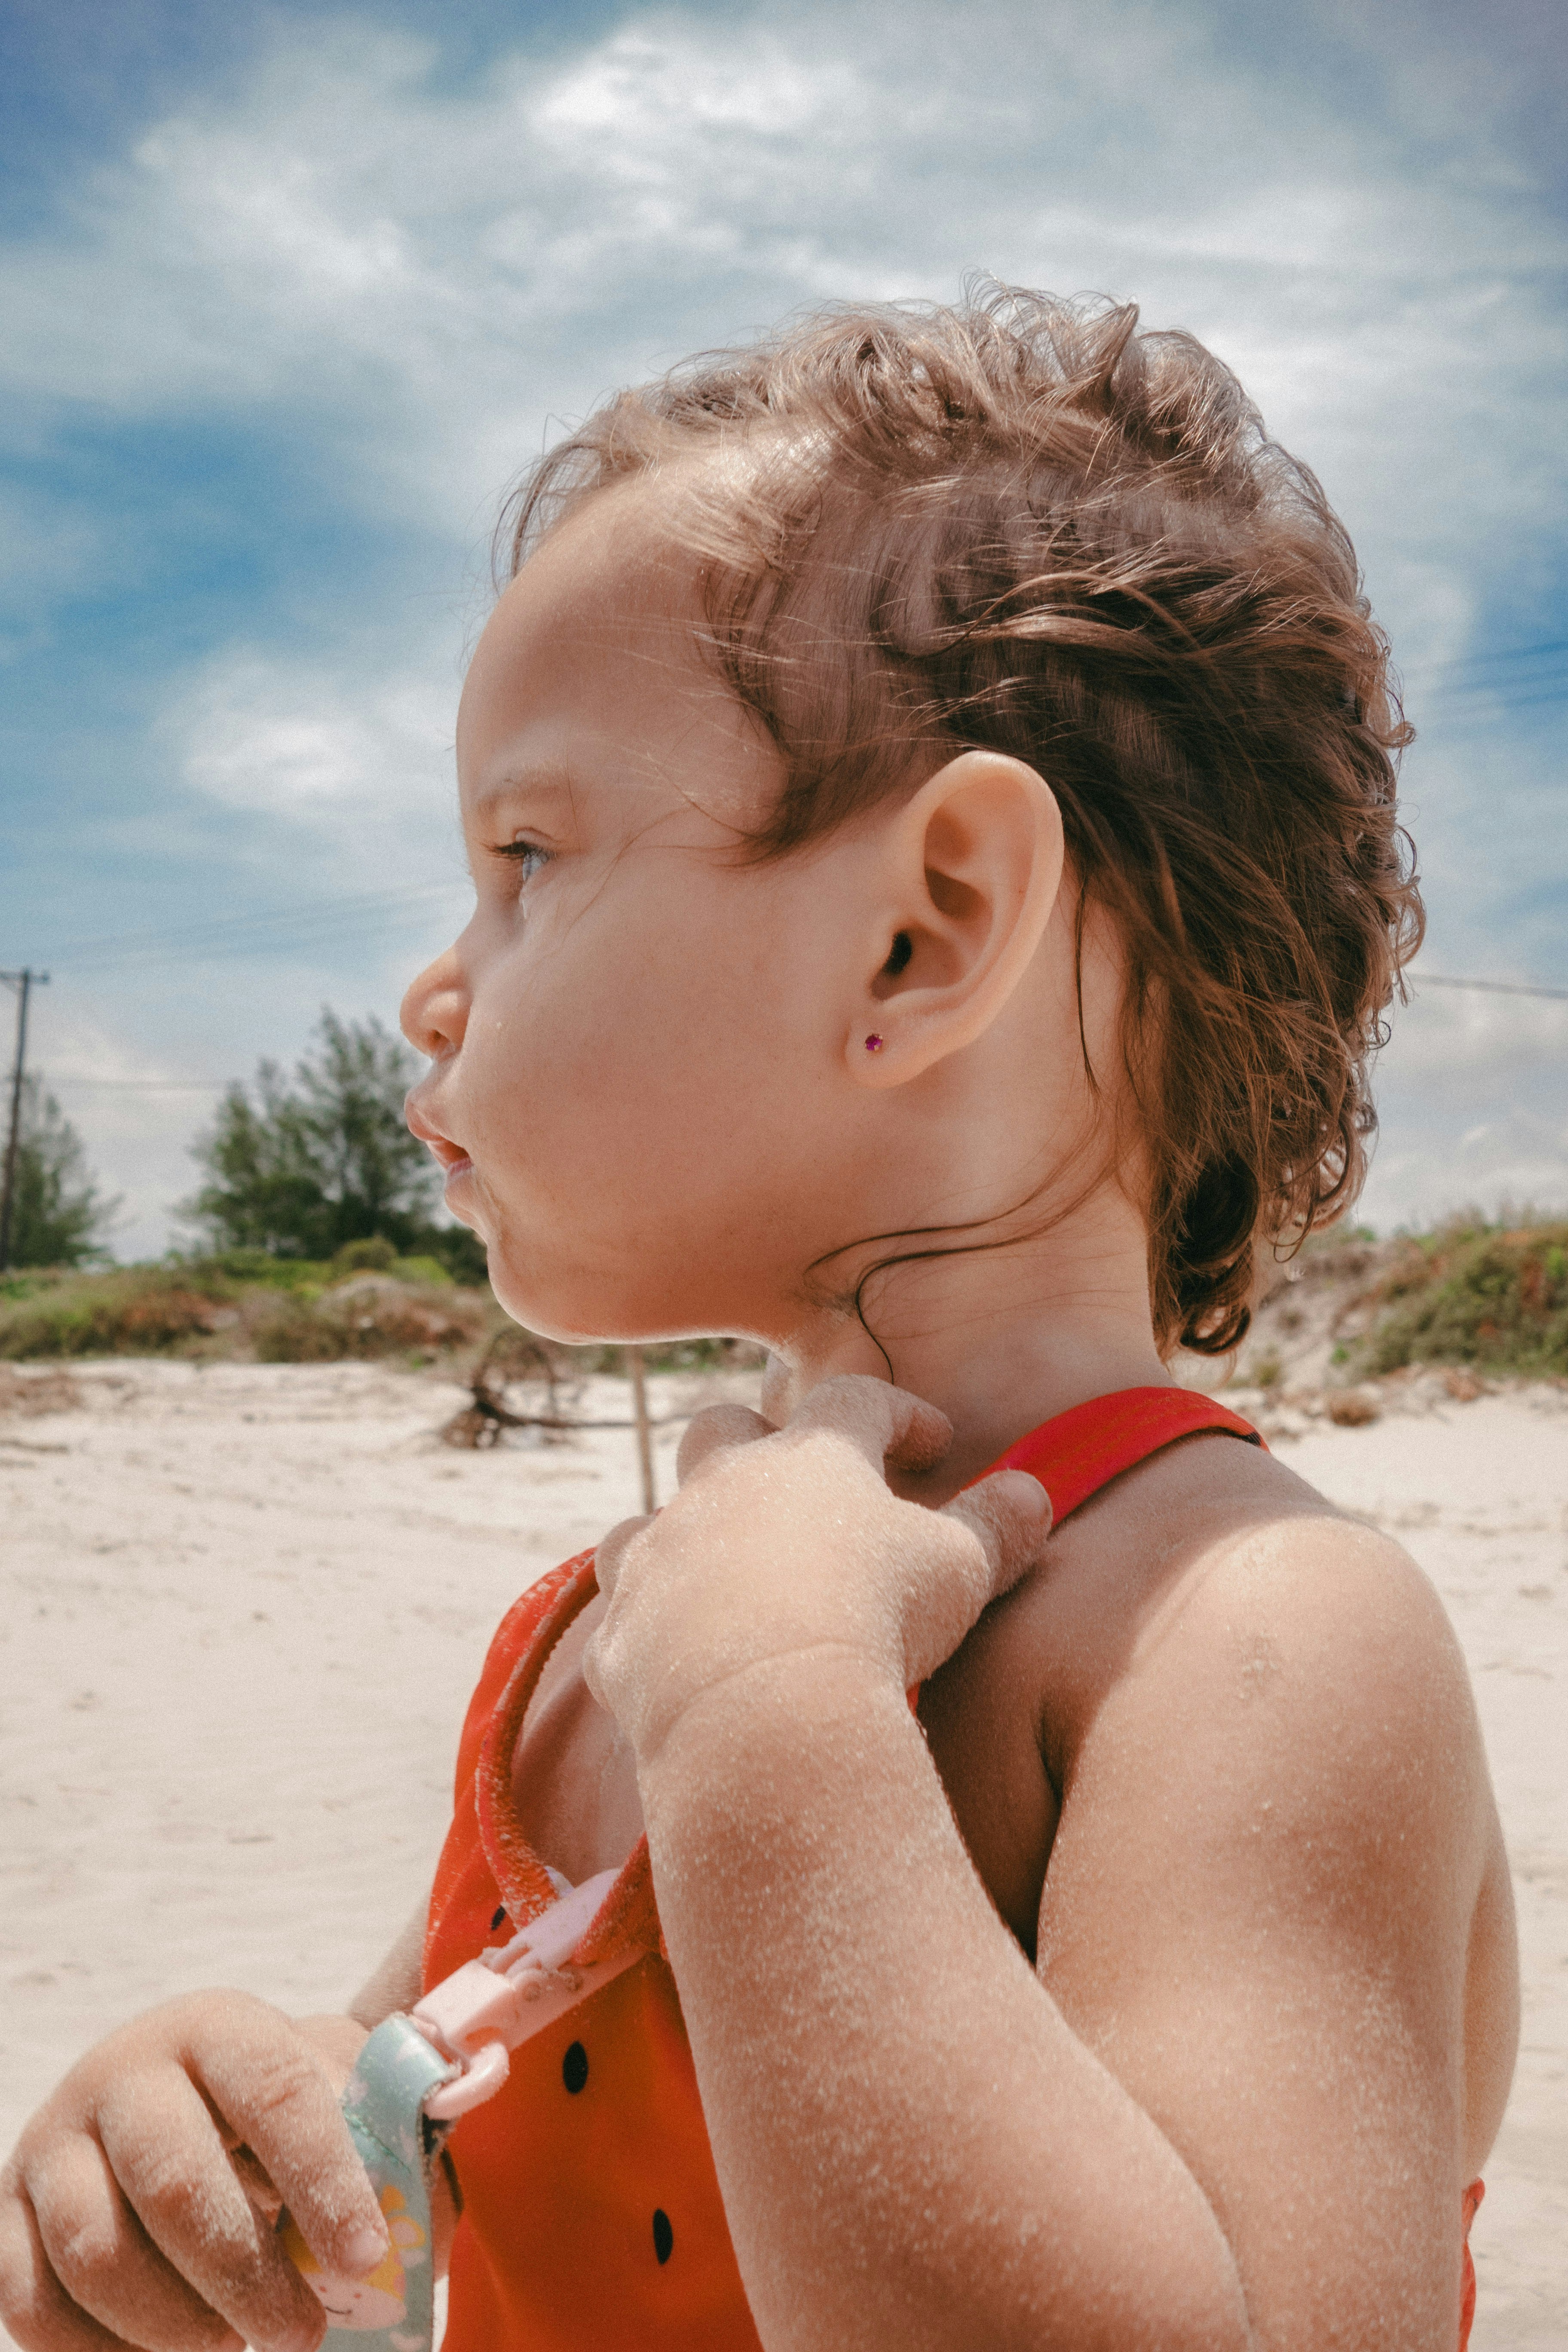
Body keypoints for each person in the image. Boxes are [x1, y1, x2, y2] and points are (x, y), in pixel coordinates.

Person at [0, 289, 1519, 2352]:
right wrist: (209, 2146)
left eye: (527, 856)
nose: (432, 990)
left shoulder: (1250, 1643)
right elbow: (432, 2117)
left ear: (926, 933)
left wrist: (775, 1718)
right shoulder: (600, 1637)